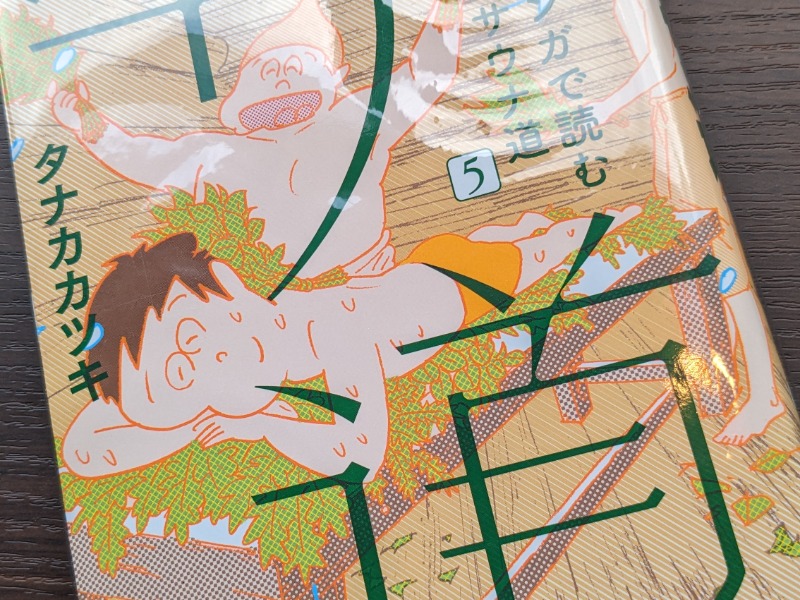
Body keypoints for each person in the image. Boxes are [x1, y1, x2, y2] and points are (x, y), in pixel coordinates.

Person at [61, 206, 648, 479]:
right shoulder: (264, 361)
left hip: (462, 286)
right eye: (185, 380)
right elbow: (83, 449)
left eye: (193, 336)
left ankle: (615, 219)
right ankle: (529, 230)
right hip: (416, 273)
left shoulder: (332, 334)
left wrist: (263, 426)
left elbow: (361, 456)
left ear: (228, 282)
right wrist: (192, 417)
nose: (213, 360)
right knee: (515, 240)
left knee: (546, 250)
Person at [49, 0, 463, 278]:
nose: (282, 81)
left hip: (372, 271)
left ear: (333, 78)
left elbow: (425, 76)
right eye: (267, 74)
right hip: (278, 306)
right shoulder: (220, 153)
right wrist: (88, 123)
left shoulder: (355, 118)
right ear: (238, 99)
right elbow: (148, 158)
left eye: (298, 69)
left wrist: (447, 11)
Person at [592, 0, 786, 445]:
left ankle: (763, 394)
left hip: (668, 110)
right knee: (710, 260)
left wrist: (610, 104)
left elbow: (660, 66)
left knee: (723, 263)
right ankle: (743, 388)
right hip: (660, 117)